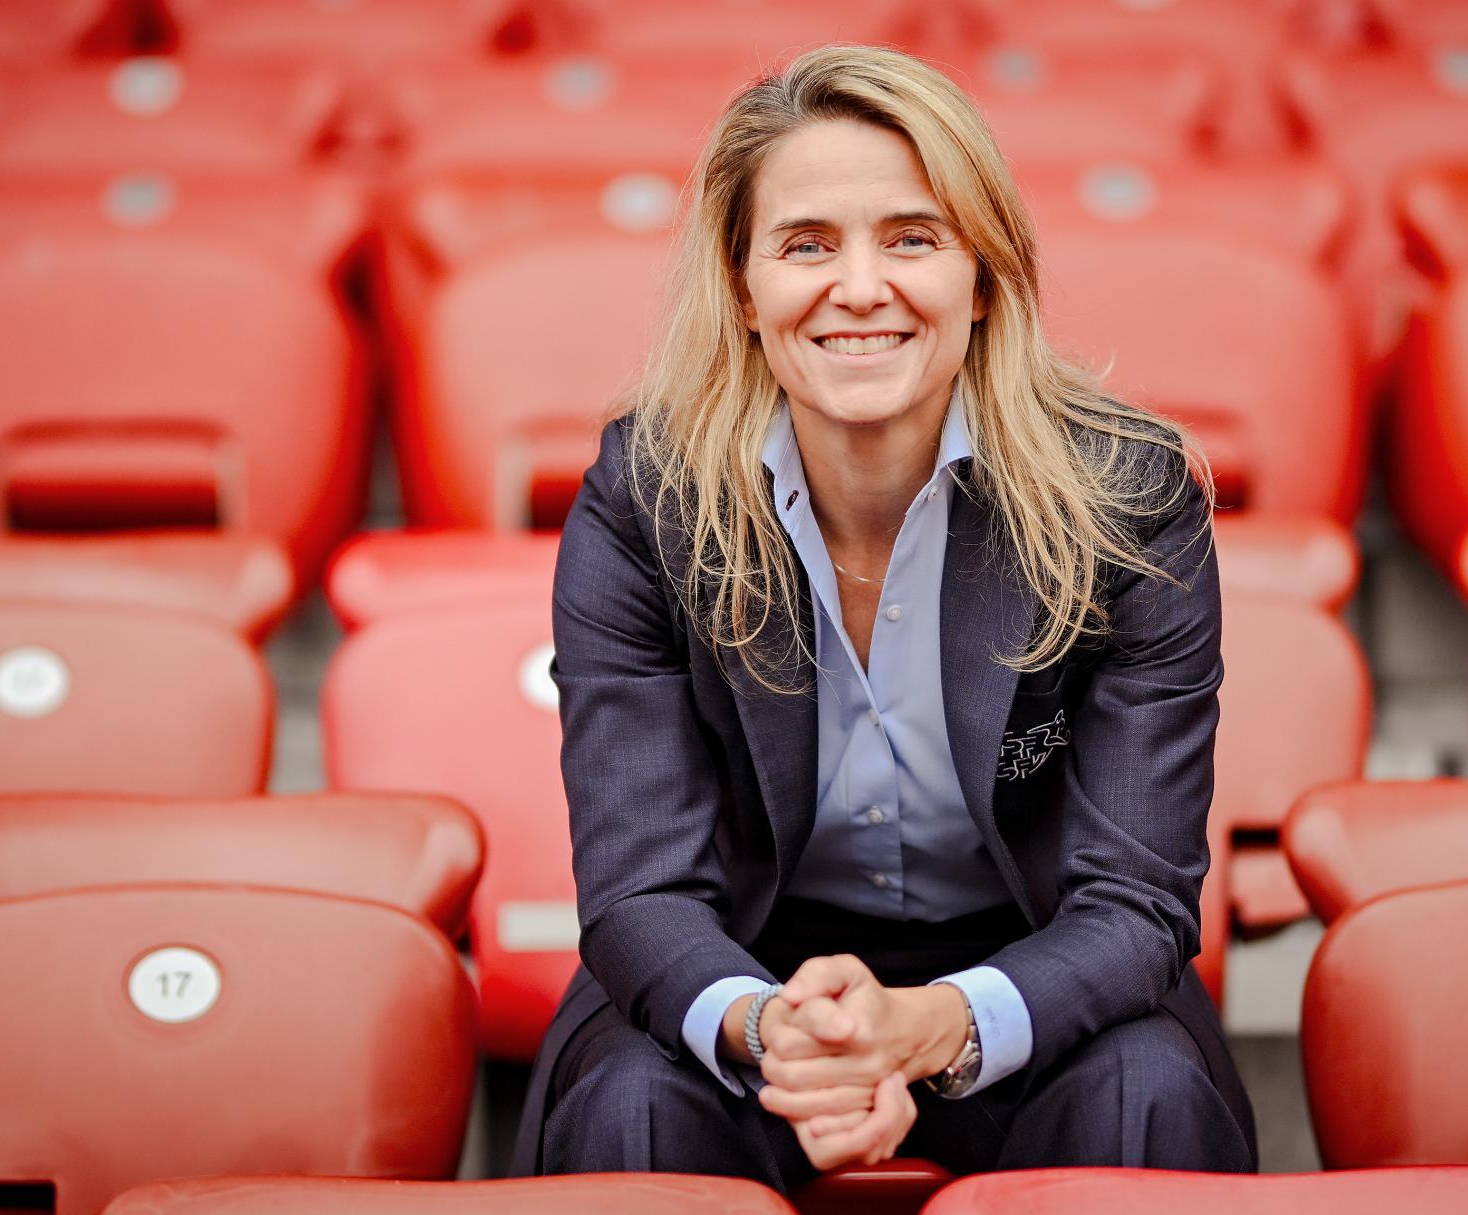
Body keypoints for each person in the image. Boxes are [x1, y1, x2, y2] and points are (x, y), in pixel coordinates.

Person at [511, 43, 1254, 1186]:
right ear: (744, 285)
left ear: (985, 275)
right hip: (748, 977)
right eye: (808, 245)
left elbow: (1135, 901)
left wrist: (935, 1028)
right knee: (629, 1107)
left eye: (912, 238)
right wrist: (775, 1035)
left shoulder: (1131, 501)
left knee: (1144, 1091)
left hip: (1035, 981)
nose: (860, 288)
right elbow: (638, 893)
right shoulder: (644, 502)